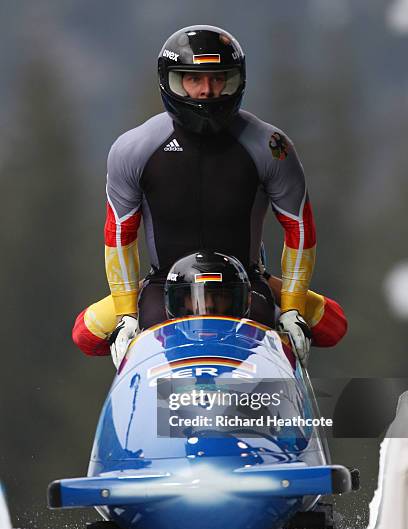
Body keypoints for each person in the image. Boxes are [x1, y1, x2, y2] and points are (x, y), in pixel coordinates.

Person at [73, 25, 347, 368]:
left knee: (334, 326)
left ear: (237, 81)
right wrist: (128, 313)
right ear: (170, 81)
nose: (207, 91)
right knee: (84, 333)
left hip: (245, 283)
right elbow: (119, 235)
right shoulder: (133, 149)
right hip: (165, 284)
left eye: (219, 79)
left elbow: (300, 229)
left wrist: (291, 307)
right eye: (193, 79)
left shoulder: (272, 146)